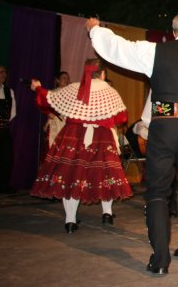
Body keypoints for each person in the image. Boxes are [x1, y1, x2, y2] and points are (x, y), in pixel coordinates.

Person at [87, 12, 178, 275]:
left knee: (157, 191)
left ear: (174, 30)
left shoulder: (154, 51)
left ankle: (160, 259)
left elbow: (117, 48)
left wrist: (96, 30)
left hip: (164, 126)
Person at [30, 59, 132, 232]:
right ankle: (107, 213)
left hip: (73, 135)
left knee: (71, 176)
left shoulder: (73, 88)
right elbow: (121, 118)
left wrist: (38, 88)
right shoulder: (110, 91)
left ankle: (70, 221)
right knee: (104, 174)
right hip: (101, 137)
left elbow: (47, 100)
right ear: (103, 74)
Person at [0, 65, 16, 193]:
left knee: (7, 157)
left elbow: (13, 111)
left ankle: (3, 185)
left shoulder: (9, 91)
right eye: (0, 72)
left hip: (4, 129)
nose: (4, 75)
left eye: (5, 72)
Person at [42, 71, 71, 151]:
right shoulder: (52, 93)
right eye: (64, 78)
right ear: (58, 80)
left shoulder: (72, 94)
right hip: (55, 123)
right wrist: (49, 113)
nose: (67, 80)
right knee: (54, 147)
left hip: (68, 124)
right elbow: (44, 107)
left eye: (68, 78)